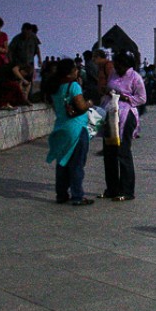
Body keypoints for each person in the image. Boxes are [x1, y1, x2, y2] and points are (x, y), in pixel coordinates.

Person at [45, 58, 94, 205]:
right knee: (77, 163)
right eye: (75, 69)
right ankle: (77, 196)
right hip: (76, 128)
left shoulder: (55, 87)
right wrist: (89, 103)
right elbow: (81, 106)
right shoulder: (73, 86)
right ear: (69, 73)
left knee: (62, 163)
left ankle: (61, 194)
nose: (77, 71)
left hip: (61, 127)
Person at [101, 51, 146, 201]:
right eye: (116, 65)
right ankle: (112, 188)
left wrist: (125, 97)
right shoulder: (113, 74)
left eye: (120, 66)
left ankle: (127, 190)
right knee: (109, 152)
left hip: (126, 115)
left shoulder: (135, 77)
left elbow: (142, 98)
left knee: (123, 151)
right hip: (111, 114)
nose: (117, 68)